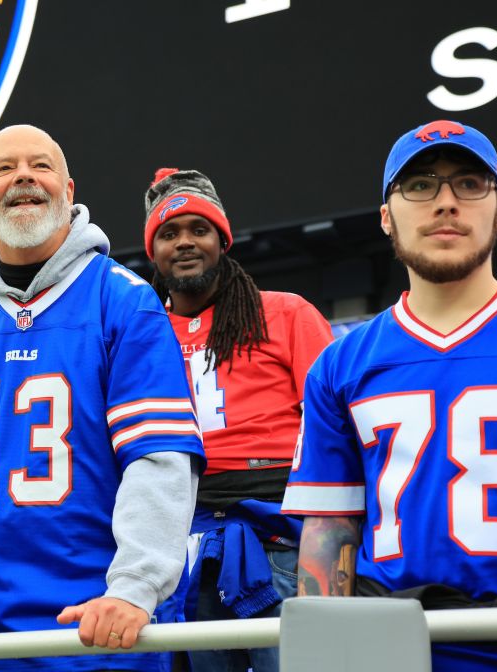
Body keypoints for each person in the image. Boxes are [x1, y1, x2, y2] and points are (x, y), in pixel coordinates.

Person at [0, 125, 206, 672]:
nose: (23, 178)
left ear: (68, 187)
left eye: (40, 165)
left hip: (102, 632)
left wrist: (134, 586)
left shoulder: (123, 301)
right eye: (4, 168)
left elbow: (159, 463)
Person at [283, 120, 497, 671]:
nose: (447, 203)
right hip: (388, 648)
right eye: (421, 185)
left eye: (470, 184)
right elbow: (329, 525)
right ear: (387, 217)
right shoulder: (340, 363)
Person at [143, 168, 334, 672]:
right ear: (153, 251)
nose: (184, 243)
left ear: (222, 239)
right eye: (168, 233)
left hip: (280, 540)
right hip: (178, 547)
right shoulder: (139, 335)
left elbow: (332, 428)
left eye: (198, 230)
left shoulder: (287, 313)